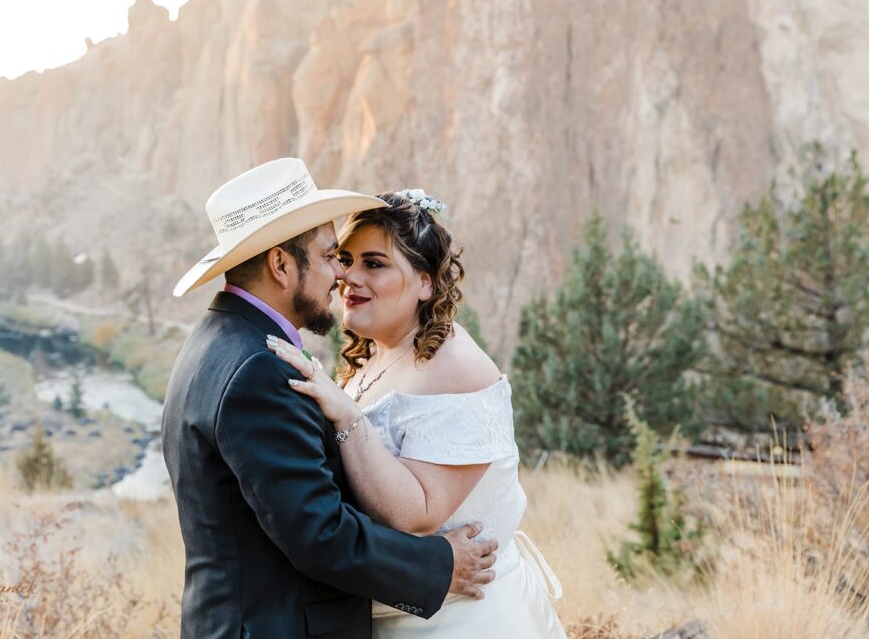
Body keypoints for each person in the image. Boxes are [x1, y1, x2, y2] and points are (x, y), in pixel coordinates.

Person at [161, 159, 499, 639]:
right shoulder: (257, 368)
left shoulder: (216, 342)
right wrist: (441, 564)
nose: (340, 275)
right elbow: (318, 533)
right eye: (329, 256)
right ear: (281, 265)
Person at [269, 189, 568, 638]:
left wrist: (346, 416)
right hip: (401, 614)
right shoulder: (377, 352)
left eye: (375, 263)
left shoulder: (455, 367)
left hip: (463, 621)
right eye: (346, 259)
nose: (349, 277)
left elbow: (418, 514)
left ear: (426, 282)